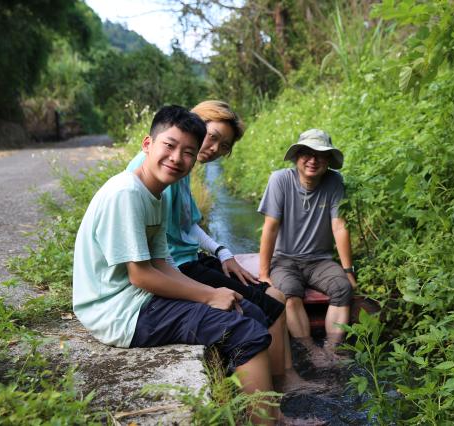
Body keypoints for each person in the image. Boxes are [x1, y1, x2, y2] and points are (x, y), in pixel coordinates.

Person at [73, 105, 277, 424]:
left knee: (248, 309)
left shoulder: (156, 194)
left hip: (138, 299)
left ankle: (255, 405)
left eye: (187, 152)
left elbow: (163, 263)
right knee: (245, 330)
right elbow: (140, 276)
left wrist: (216, 290)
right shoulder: (126, 194)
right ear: (147, 145)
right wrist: (209, 296)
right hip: (118, 311)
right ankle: (268, 421)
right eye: (169, 145)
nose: (176, 158)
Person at [127, 100, 316, 394]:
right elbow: (154, 255)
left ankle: (283, 378)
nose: (213, 147)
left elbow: (187, 223)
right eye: (211, 136)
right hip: (181, 267)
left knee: (276, 294)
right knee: (270, 306)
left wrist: (223, 253)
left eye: (223, 145)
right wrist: (205, 289)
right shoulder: (152, 172)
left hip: (188, 260)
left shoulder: (182, 172)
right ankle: (282, 383)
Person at [258, 129, 357, 367]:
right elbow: (270, 228)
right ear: (296, 157)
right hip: (284, 260)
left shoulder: (334, 181)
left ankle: (331, 349)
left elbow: (339, 227)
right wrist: (264, 274)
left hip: (320, 260)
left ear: (328, 160)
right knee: (290, 292)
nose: (313, 160)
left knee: (343, 288)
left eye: (320, 155)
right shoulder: (280, 180)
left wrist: (349, 271)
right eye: (306, 153)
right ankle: (310, 349)